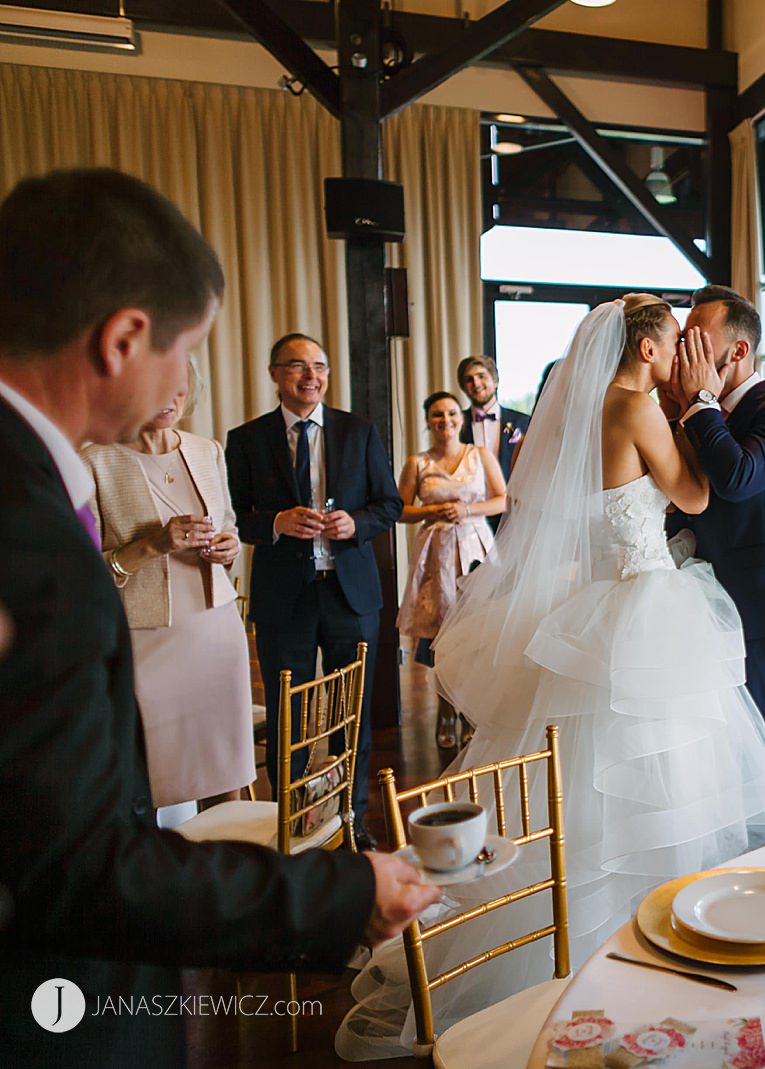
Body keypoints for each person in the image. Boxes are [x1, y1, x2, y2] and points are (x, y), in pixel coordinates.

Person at [0, 168, 437, 1068]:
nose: (187, 380)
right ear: (125, 338)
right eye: (186, 349)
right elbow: (79, 866)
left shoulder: (36, 478)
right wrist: (338, 894)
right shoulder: (26, 534)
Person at [336, 294, 765, 1058]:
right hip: (648, 604)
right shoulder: (640, 407)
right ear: (646, 351)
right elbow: (694, 493)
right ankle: (655, 951)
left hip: (612, 599)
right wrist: (695, 413)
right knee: (660, 777)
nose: (684, 348)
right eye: (674, 339)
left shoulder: (596, 408)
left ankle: (602, 942)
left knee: (593, 782)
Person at [225, 333, 403, 848]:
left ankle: (351, 822)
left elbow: (388, 504)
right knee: (290, 721)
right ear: (275, 373)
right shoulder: (247, 440)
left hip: (350, 594)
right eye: (299, 366)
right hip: (286, 598)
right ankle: (291, 826)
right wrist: (276, 521)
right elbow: (235, 517)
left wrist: (357, 523)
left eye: (320, 366)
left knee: (354, 717)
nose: (311, 376)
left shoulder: (359, 431)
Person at [666, 284, 765, 805]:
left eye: (697, 340)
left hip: (762, 620)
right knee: (713, 772)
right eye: (681, 339)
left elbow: (737, 477)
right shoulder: (683, 412)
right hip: (696, 619)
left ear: (737, 350)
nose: (685, 351)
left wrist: (703, 403)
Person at [81, 365, 253, 827]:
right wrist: (153, 545)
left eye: (179, 389)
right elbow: (82, 571)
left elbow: (230, 524)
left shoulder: (208, 451)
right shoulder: (95, 461)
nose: (170, 398)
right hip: (145, 642)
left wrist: (229, 546)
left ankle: (231, 873)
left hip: (217, 632)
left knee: (225, 772)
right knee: (153, 778)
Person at [396, 390, 506, 749]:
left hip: (476, 549)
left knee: (477, 632)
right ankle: (445, 708)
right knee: (441, 634)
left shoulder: (480, 455)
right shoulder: (418, 463)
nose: (445, 421)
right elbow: (399, 509)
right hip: (436, 554)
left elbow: (502, 498)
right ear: (428, 421)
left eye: (451, 414)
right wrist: (431, 512)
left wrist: (469, 511)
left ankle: (472, 711)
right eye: (437, 416)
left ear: (461, 419)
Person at [456, 354, 529, 531]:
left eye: (481, 376)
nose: (476, 383)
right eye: (469, 379)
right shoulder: (456, 424)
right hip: (472, 516)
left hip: (516, 513)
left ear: (495, 381)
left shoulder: (524, 422)